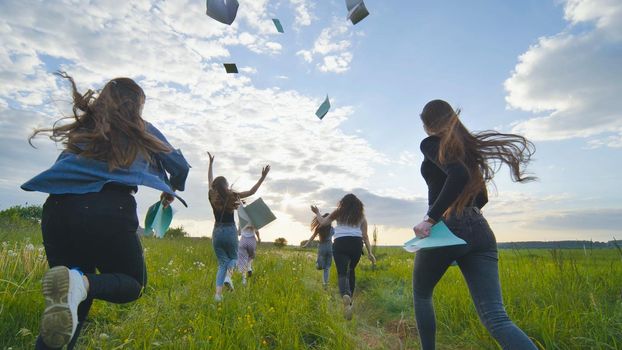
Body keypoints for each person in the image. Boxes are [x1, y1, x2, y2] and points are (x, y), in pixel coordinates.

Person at [22, 72, 190, 349]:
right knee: (133, 284)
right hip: (107, 207)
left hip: (57, 209)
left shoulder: (84, 127)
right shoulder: (140, 127)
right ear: (135, 105)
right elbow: (180, 166)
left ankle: (77, 287)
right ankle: (79, 284)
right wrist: (171, 186)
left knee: (71, 299)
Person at [411, 99, 537, 350]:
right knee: (497, 318)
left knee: (422, 294)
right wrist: (466, 225)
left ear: (426, 125)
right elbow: (482, 198)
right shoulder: (465, 149)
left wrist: (430, 219)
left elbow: (458, 175)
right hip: (480, 229)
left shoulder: (430, 143)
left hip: (447, 227)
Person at [206, 152, 269, 301]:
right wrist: (263, 176)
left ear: (215, 186)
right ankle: (228, 278)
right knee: (234, 258)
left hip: (217, 232)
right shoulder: (232, 197)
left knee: (222, 263)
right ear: (226, 186)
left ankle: (218, 295)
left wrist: (210, 164)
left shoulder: (211, 195)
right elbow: (252, 191)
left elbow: (209, 181)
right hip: (229, 230)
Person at [311, 194, 376, 320]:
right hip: (356, 244)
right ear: (358, 205)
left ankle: (345, 295)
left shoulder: (339, 212)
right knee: (351, 271)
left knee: (342, 273)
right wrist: (370, 252)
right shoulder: (361, 216)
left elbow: (323, 222)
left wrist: (317, 212)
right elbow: (365, 236)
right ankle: (350, 302)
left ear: (343, 203)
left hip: (340, 243)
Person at [302, 213, 334, 288]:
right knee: (321, 266)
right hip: (323, 247)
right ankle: (319, 266)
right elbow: (313, 236)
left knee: (327, 267)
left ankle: (325, 284)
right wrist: (306, 244)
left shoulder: (331, 228)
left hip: (329, 247)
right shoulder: (320, 228)